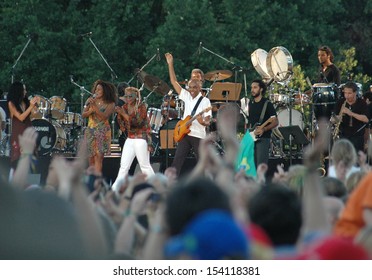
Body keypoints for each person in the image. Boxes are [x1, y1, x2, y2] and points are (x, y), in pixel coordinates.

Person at [165, 52, 212, 176]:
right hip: (185, 133)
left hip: (198, 135)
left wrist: (204, 122)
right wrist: (170, 64)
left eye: (194, 87)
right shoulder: (186, 95)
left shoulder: (205, 101)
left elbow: (207, 120)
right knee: (177, 161)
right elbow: (173, 81)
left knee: (202, 164)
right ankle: (170, 184)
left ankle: (206, 185)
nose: (191, 90)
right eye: (190, 87)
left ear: (200, 86)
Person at [111, 86, 155, 192]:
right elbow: (122, 125)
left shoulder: (141, 107)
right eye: (126, 96)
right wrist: (118, 114)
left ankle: (156, 185)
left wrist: (123, 114)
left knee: (144, 166)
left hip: (141, 137)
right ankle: (114, 189)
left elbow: (137, 123)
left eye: (130, 96)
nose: (128, 98)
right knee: (124, 166)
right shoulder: (125, 107)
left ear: (136, 96)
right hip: (130, 138)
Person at [82, 80, 116, 174]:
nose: (96, 91)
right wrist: (88, 106)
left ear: (105, 91)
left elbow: (104, 116)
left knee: (99, 157)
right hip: (90, 130)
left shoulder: (110, 103)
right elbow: (83, 115)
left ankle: (97, 179)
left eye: (99, 90)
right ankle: (91, 178)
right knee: (90, 156)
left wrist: (94, 107)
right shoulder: (92, 101)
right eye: (96, 89)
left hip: (102, 131)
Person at [7, 81, 39, 170]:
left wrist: (35, 106)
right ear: (18, 91)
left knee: (30, 157)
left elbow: (34, 115)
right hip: (18, 133)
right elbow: (21, 117)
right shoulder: (11, 103)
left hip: (28, 130)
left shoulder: (26, 102)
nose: (25, 92)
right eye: (23, 90)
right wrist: (30, 107)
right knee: (18, 158)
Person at [247, 79, 278, 167]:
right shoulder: (251, 103)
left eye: (255, 87)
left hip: (263, 138)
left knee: (260, 167)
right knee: (251, 166)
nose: (252, 90)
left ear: (261, 89)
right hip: (252, 138)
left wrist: (264, 129)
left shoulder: (267, 104)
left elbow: (275, 121)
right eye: (251, 88)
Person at [332, 82, 369, 152]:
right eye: (345, 93)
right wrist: (336, 119)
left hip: (357, 136)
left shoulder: (362, 103)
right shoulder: (340, 102)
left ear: (355, 93)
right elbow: (333, 118)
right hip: (343, 135)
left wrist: (351, 113)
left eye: (349, 93)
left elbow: (366, 119)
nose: (347, 96)